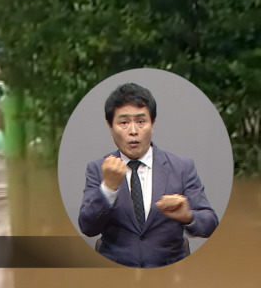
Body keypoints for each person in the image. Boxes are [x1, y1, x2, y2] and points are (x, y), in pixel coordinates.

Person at [78, 82, 218, 268]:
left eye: (141, 121)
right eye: (124, 122)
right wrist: (108, 189)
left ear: (153, 123)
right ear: (110, 127)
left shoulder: (181, 167)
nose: (133, 131)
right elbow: (88, 227)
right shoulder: (98, 168)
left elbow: (210, 223)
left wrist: (187, 216)